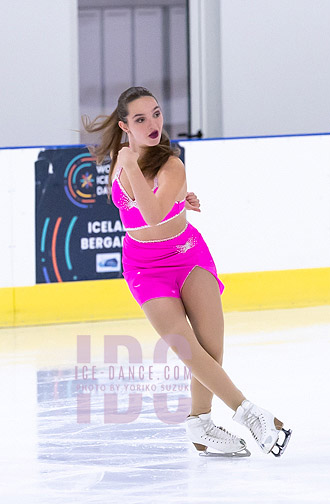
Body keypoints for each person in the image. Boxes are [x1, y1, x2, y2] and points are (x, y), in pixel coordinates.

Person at [84, 86, 291, 456]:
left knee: (210, 347)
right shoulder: (123, 158)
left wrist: (167, 192)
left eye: (157, 113)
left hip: (187, 253)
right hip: (144, 266)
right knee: (186, 347)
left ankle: (201, 423)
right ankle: (248, 412)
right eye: (141, 118)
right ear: (124, 126)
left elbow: (153, 212)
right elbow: (138, 213)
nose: (153, 124)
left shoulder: (172, 164)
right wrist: (153, 182)